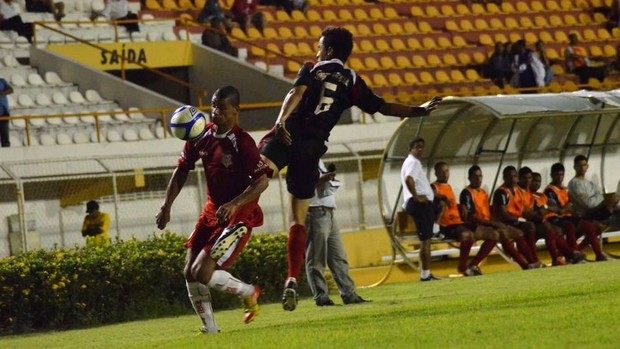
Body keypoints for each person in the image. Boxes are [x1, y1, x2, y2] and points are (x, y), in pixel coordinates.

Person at [257, 26, 441, 311]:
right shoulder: (353, 81)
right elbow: (383, 107)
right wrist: (419, 109)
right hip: (312, 148)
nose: (316, 51)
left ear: (328, 51)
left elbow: (296, 93)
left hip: (290, 133)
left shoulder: (311, 67)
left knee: (258, 175)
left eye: (319, 47)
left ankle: (236, 214)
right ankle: (291, 279)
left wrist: (281, 121)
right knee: (296, 221)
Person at [156, 87, 268, 334]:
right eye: (213, 106)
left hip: (237, 215)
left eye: (221, 107)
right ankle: (210, 329)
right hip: (211, 211)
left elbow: (262, 182)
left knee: (201, 271)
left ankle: (249, 292)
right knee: (189, 272)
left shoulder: (243, 142)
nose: (214, 112)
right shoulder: (201, 135)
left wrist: (235, 203)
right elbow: (182, 169)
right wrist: (166, 206)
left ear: (235, 111)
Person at [305, 160, 368, 306]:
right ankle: (321, 298)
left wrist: (328, 179)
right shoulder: (301, 158)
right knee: (316, 258)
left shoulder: (318, 159)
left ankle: (349, 294)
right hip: (314, 210)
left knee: (338, 257)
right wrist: (323, 179)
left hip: (329, 211)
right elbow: (302, 186)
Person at [460, 165, 533, 271]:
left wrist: (494, 222)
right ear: (469, 178)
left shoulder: (483, 192)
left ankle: (529, 263)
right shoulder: (467, 193)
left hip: (486, 224)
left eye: (480, 176)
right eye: (475, 176)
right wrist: (492, 223)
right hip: (473, 225)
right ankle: (472, 265)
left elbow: (488, 211)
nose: (478, 179)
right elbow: (471, 216)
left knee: (518, 233)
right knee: (495, 234)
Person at [432, 162, 499, 276]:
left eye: (447, 171)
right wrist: (441, 198)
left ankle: (473, 265)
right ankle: (463, 267)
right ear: (436, 173)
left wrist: (459, 206)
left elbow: (451, 205)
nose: (445, 174)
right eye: (442, 171)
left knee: (494, 235)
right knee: (467, 235)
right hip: (447, 225)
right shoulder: (434, 187)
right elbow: (431, 197)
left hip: (459, 222)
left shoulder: (448, 186)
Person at [545, 162, 606, 261]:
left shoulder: (565, 189)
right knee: (570, 226)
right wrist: (566, 207)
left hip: (568, 216)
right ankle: (574, 255)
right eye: (557, 175)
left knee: (588, 225)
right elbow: (558, 209)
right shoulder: (549, 191)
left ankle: (598, 254)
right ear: (551, 175)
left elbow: (571, 205)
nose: (560, 177)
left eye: (561, 174)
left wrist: (568, 208)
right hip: (556, 218)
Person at [401, 138, 441, 282]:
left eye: (422, 147)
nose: (420, 150)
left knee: (426, 238)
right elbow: (408, 179)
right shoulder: (413, 162)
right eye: (417, 147)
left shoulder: (411, 162)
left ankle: (436, 228)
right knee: (425, 241)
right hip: (419, 205)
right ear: (410, 150)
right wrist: (417, 197)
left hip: (422, 203)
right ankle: (425, 275)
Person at [528, 172, 586, 265]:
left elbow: (555, 208)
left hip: (549, 219)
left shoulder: (541, 195)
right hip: (540, 222)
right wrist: (548, 209)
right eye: (534, 181)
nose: (536, 183)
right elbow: (540, 211)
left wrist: (546, 207)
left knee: (584, 224)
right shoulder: (530, 195)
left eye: (539, 181)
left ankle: (572, 254)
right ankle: (563, 256)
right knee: (553, 230)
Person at [492, 166, 542, 268]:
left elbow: (524, 209)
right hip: (505, 222)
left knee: (532, 226)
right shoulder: (501, 192)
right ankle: (531, 261)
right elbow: (504, 214)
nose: (513, 179)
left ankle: (533, 259)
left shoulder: (518, 190)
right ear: (504, 177)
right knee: (522, 231)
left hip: (516, 220)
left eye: (515, 176)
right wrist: (521, 219)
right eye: (510, 176)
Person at [568, 155, 619, 230]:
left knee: (615, 199)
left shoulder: (590, 183)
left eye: (584, 165)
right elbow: (588, 204)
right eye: (579, 166)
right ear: (574, 167)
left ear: (587, 166)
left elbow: (599, 196)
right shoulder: (574, 183)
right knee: (613, 199)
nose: (582, 168)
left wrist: (599, 198)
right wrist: (601, 199)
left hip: (597, 210)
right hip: (587, 215)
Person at [0, 77, 13, 148]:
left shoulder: (2, 81)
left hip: (3, 112)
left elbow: (11, 90)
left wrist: (2, 93)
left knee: (5, 136)